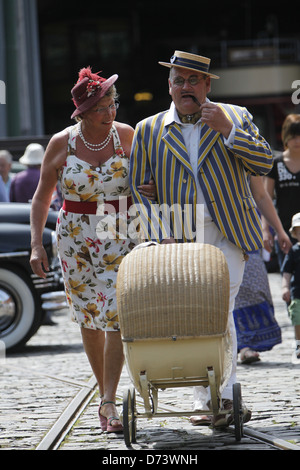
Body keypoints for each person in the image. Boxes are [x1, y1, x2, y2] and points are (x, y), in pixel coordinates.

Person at [129, 50, 273, 427]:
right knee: (195, 315)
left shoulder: (235, 117)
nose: (186, 87)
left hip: (229, 232)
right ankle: (209, 397)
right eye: (179, 80)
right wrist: (162, 235)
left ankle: (223, 397)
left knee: (219, 310)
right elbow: (139, 191)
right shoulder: (148, 129)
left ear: (208, 85)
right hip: (181, 239)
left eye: (194, 80)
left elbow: (263, 162)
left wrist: (229, 130)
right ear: (170, 86)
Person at [30, 66, 155, 433]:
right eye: (102, 106)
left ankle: (109, 401)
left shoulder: (127, 136)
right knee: (89, 320)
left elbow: (151, 179)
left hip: (120, 231)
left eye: (112, 103)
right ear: (82, 112)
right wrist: (36, 245)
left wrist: (148, 188)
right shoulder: (61, 143)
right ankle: (107, 396)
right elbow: (41, 199)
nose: (110, 111)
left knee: (116, 315)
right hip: (74, 238)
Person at [233, 175, 291, 364]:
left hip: (248, 233)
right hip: (212, 231)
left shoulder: (247, 155)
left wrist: (275, 230)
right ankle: (240, 346)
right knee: (227, 294)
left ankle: (246, 344)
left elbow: (261, 195)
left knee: (255, 288)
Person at [264, 114, 300, 268]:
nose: (297, 141)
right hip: (285, 232)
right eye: (293, 136)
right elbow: (264, 198)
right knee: (288, 281)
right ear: (285, 136)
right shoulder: (276, 164)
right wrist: (265, 230)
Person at [282, 212, 300, 364]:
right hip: (297, 294)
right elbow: (287, 272)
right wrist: (284, 288)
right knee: (297, 318)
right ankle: (299, 344)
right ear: (294, 233)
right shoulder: (294, 251)